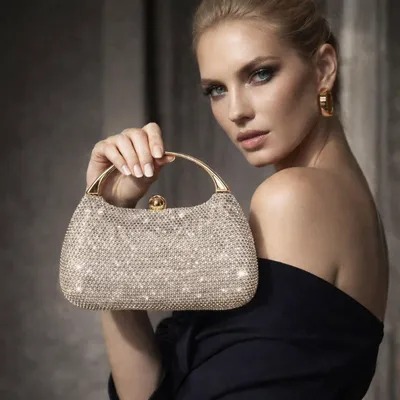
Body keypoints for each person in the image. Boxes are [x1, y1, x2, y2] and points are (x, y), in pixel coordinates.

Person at [86, 0, 389, 398]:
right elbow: (146, 392)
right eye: (216, 90)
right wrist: (110, 215)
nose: (236, 111)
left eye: (260, 74)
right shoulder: (346, 202)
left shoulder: (293, 197)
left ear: (323, 68)